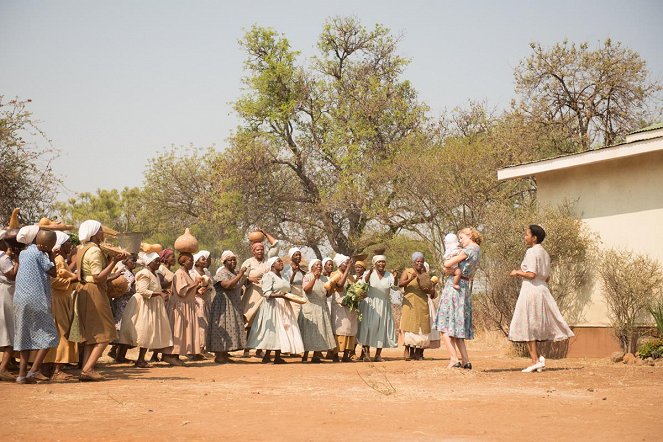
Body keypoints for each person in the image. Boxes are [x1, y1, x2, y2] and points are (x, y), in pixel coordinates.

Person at [508, 225, 575, 373]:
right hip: (542, 289)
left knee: (529, 324)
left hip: (531, 290)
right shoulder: (545, 253)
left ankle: (534, 360)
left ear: (534, 238)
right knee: (536, 323)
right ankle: (538, 359)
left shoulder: (531, 252)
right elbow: (547, 277)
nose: (525, 237)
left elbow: (531, 274)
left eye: (527, 235)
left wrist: (517, 272)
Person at [76, 220, 126, 381]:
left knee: (93, 334)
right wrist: (114, 262)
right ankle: (89, 368)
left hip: (84, 289)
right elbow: (98, 277)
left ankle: (86, 368)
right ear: (94, 233)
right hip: (94, 291)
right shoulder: (95, 251)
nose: (102, 234)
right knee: (106, 332)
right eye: (100, 231)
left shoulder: (82, 249)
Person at [13, 227, 58, 384]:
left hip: (19, 300)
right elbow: (53, 272)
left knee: (24, 336)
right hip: (36, 299)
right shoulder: (39, 254)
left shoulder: (23, 253)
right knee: (50, 335)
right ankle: (34, 371)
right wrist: (51, 253)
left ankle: (21, 375)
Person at [433, 227, 482, 369]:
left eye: (461, 238)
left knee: (444, 324)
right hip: (464, 285)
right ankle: (465, 360)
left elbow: (447, 264)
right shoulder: (477, 250)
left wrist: (452, 270)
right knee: (457, 326)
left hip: (455, 287)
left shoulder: (469, 249)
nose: (460, 241)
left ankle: (454, 359)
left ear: (470, 235)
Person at [118, 251, 173, 368]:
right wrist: (159, 293)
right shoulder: (144, 273)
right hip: (143, 305)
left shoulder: (155, 274)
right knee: (143, 331)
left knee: (148, 331)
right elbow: (142, 291)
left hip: (151, 305)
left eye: (159, 261)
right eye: (156, 261)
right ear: (149, 262)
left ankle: (139, 359)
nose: (158, 263)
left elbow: (154, 287)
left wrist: (162, 292)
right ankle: (136, 359)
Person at [246, 257, 304, 364]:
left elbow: (287, 289)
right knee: (272, 330)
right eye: (279, 261)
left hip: (284, 305)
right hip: (273, 305)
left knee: (282, 330)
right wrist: (280, 295)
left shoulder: (283, 277)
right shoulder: (269, 276)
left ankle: (277, 356)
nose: (281, 263)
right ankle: (267, 356)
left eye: (282, 261)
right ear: (272, 265)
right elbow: (266, 293)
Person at [43, 231, 79, 380]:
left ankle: (53, 367)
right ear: (61, 245)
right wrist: (73, 280)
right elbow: (53, 281)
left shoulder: (61, 259)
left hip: (63, 299)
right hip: (58, 300)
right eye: (68, 242)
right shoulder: (58, 260)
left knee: (61, 332)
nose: (71, 245)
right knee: (61, 333)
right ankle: (57, 370)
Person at [240, 230, 280, 356]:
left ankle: (259, 349)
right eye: (257, 250)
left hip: (265, 295)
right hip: (252, 295)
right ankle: (246, 348)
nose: (260, 251)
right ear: (253, 251)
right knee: (250, 321)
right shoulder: (248, 262)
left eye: (262, 249)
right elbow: (240, 277)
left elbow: (276, 245)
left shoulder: (268, 262)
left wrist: (265, 233)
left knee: (263, 321)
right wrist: (249, 279)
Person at [208, 250, 247, 363]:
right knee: (222, 326)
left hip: (232, 303)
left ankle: (224, 353)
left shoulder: (234, 273)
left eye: (234, 259)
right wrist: (240, 274)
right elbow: (228, 285)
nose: (233, 262)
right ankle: (219, 355)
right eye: (230, 260)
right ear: (224, 262)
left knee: (230, 327)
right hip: (222, 304)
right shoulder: (222, 273)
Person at [357, 255, 398, 362]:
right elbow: (363, 284)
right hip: (370, 304)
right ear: (374, 264)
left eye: (383, 262)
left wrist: (396, 277)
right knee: (368, 327)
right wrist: (370, 273)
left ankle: (378, 355)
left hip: (384, 305)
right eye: (379, 262)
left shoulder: (389, 275)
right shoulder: (368, 273)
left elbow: (395, 287)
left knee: (382, 328)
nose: (381, 264)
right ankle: (366, 353)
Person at [164, 252, 202, 366]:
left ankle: (176, 355)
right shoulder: (179, 273)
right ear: (183, 262)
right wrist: (194, 284)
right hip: (180, 307)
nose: (192, 263)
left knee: (183, 331)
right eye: (190, 261)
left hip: (187, 306)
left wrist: (197, 286)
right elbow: (181, 291)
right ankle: (171, 356)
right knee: (178, 330)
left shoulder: (187, 273)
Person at [399, 252, 436, 361]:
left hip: (422, 302)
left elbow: (430, 290)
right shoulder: (408, 271)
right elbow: (400, 284)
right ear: (413, 262)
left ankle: (418, 351)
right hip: (410, 302)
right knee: (409, 325)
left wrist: (429, 288)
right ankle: (407, 349)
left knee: (421, 327)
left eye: (422, 262)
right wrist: (411, 278)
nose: (420, 263)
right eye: (418, 261)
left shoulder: (425, 274)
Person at [299, 259, 336, 363]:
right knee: (308, 332)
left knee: (321, 331)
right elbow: (307, 290)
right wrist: (314, 278)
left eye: (320, 265)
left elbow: (327, 294)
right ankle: (305, 355)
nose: (319, 266)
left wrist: (332, 287)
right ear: (312, 267)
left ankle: (316, 355)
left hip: (321, 307)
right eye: (317, 265)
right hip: (310, 307)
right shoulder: (307, 276)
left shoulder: (325, 278)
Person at [108, 254, 137, 363]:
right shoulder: (123, 272)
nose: (134, 262)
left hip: (129, 303)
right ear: (126, 261)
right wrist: (134, 282)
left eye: (135, 260)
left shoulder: (131, 272)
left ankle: (117, 353)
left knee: (126, 329)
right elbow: (121, 287)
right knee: (123, 329)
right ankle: (119, 355)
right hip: (122, 303)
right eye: (132, 260)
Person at [329, 254, 358, 362]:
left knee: (350, 329)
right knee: (340, 329)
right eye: (346, 263)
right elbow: (340, 286)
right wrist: (347, 270)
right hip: (339, 306)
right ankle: (336, 355)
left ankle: (346, 354)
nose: (347, 265)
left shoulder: (351, 277)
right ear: (340, 264)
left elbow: (354, 290)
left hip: (350, 307)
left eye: (348, 263)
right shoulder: (334, 274)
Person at [0, 230, 20, 382]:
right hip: (6, 292)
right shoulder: (3, 258)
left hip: (6, 291)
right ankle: (3, 368)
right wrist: (18, 261)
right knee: (10, 330)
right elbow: (11, 275)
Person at [191, 250, 213, 357]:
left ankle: (203, 349)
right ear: (196, 262)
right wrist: (199, 287)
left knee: (207, 323)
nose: (205, 261)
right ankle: (198, 348)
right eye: (202, 259)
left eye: (205, 259)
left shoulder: (207, 273)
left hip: (206, 300)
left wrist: (207, 287)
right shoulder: (192, 273)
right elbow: (191, 288)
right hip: (197, 301)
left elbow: (211, 285)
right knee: (200, 325)